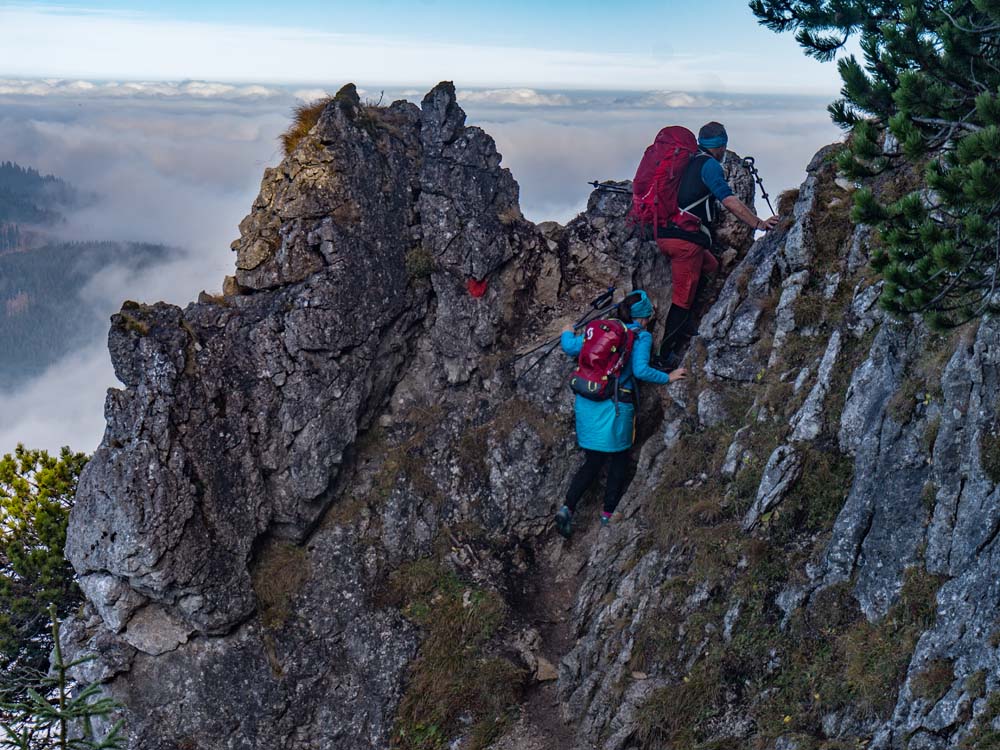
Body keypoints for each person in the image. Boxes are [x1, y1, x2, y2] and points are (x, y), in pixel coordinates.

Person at [554, 290, 687, 538]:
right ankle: (608, 513)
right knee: (619, 459)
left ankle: (567, 508)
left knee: (592, 462)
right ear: (645, 318)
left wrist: (566, 329)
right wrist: (667, 377)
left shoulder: (602, 332)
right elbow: (640, 370)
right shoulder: (640, 336)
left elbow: (570, 346)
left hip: (586, 404)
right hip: (615, 406)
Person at [655, 121, 780, 366]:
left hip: (665, 232)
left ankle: (688, 320)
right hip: (685, 241)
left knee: (710, 266)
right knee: (682, 298)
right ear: (721, 146)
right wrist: (758, 224)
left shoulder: (686, 159)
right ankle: (664, 355)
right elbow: (730, 201)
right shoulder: (710, 166)